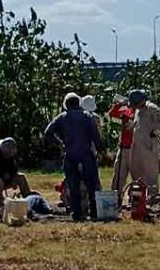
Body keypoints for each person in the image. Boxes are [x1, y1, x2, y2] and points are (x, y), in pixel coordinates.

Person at [45, 92, 102, 221]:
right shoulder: (87, 117)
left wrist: (60, 143)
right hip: (87, 155)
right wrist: (100, 151)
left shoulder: (61, 117)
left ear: (66, 104)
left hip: (70, 155)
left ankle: (77, 214)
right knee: (92, 186)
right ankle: (94, 213)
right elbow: (96, 137)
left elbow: (48, 132)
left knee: (73, 185)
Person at [128, 90, 160, 197]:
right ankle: (137, 198)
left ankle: (153, 199)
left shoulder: (151, 108)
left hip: (149, 147)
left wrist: (156, 131)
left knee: (150, 174)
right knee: (137, 174)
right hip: (137, 146)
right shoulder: (138, 110)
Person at [107, 95, 135, 201]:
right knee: (119, 176)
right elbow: (112, 113)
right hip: (124, 147)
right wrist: (120, 104)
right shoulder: (127, 112)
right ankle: (116, 198)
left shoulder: (141, 114)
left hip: (135, 148)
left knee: (136, 177)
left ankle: (134, 199)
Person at [81, 95, 102, 191]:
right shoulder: (95, 118)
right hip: (92, 149)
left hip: (79, 149)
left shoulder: (79, 116)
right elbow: (99, 135)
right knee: (93, 175)